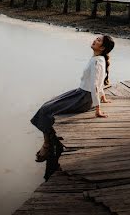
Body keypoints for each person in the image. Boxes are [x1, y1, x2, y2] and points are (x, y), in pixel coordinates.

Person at [30, 34, 115, 162]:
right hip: (80, 93)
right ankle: (49, 141)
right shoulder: (98, 59)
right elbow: (99, 81)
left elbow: (95, 86)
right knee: (48, 104)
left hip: (83, 98)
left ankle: (47, 145)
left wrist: (98, 109)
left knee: (46, 110)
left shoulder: (97, 61)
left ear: (102, 47)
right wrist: (103, 97)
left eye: (98, 40)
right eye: (96, 38)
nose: (94, 40)